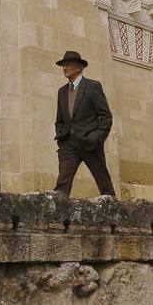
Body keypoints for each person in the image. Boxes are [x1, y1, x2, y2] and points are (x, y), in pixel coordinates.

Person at [53, 50, 115, 197]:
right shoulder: (61, 92)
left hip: (90, 143)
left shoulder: (93, 86)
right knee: (62, 184)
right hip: (68, 144)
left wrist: (97, 138)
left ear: (79, 67)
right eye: (63, 65)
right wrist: (61, 136)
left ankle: (115, 216)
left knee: (104, 183)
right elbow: (59, 120)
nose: (64, 68)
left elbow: (106, 116)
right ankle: (57, 217)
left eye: (68, 65)